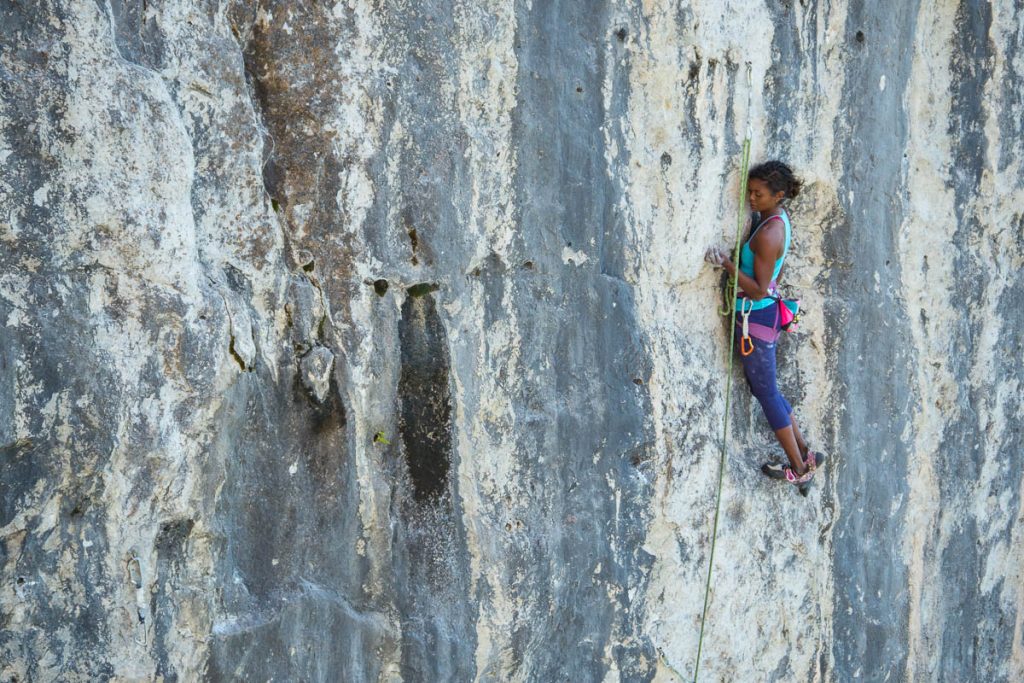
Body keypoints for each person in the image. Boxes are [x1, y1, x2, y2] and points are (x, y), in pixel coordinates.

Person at [705, 161, 821, 486]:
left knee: (767, 393)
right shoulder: (778, 219)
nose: (751, 198)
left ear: (778, 194)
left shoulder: (769, 234)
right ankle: (803, 451)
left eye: (758, 194)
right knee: (768, 389)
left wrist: (727, 263)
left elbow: (756, 290)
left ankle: (799, 469)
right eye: (750, 191)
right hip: (766, 313)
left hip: (755, 314)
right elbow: (774, 276)